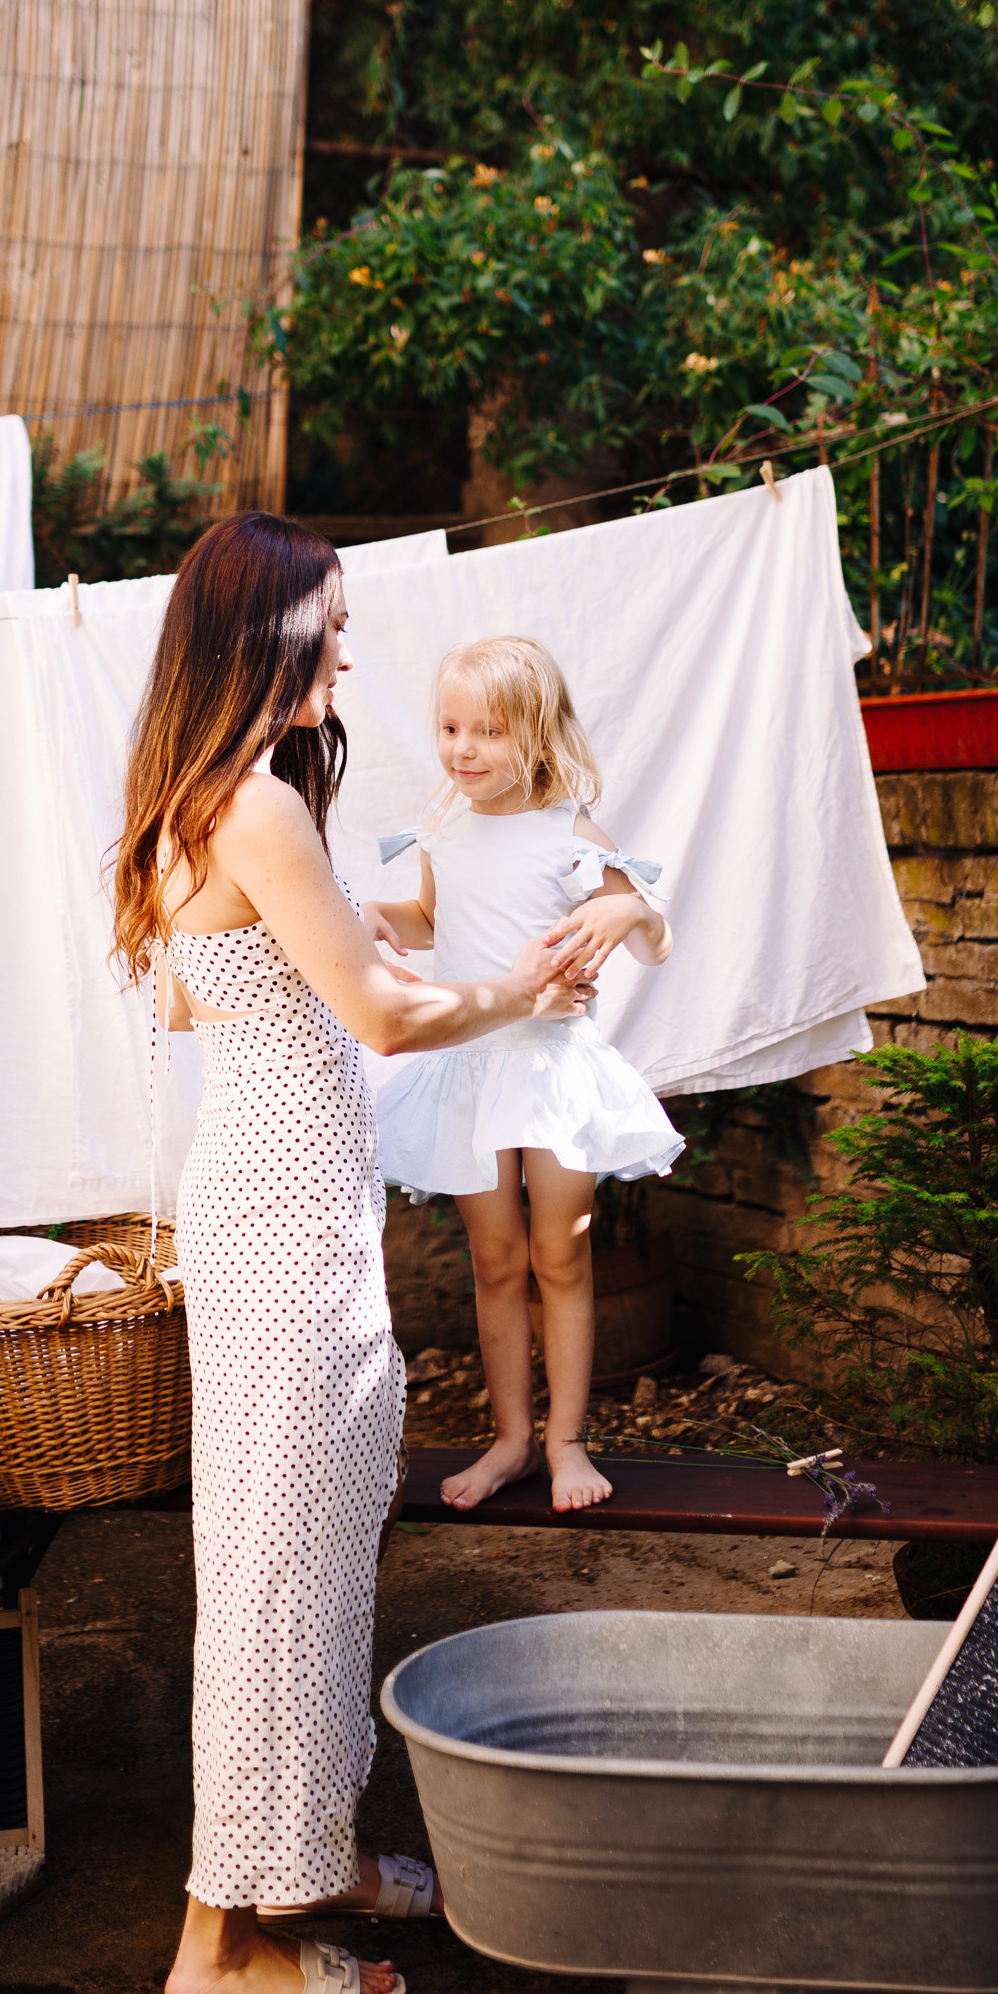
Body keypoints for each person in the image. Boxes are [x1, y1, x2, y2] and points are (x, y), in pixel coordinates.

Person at [111, 519, 592, 1994]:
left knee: (300, 1555)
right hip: (284, 1222)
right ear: (266, 634)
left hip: (273, 1203)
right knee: (275, 1576)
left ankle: (306, 1857)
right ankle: (215, 1944)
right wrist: (521, 988)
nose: (345, 648)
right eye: (328, 622)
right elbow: (380, 1018)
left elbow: (251, 995)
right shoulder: (251, 806)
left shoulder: (202, 797)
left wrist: (386, 945)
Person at [362, 636, 681, 1515]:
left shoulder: (571, 835)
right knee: (495, 1258)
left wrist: (629, 909)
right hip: (471, 1065)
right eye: (449, 728)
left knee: (559, 1251)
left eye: (488, 732)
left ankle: (565, 1441)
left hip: (551, 1072)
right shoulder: (444, 831)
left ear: (538, 737)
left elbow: (655, 944)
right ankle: (509, 1440)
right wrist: (371, 915)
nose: (461, 750)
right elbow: (433, 918)